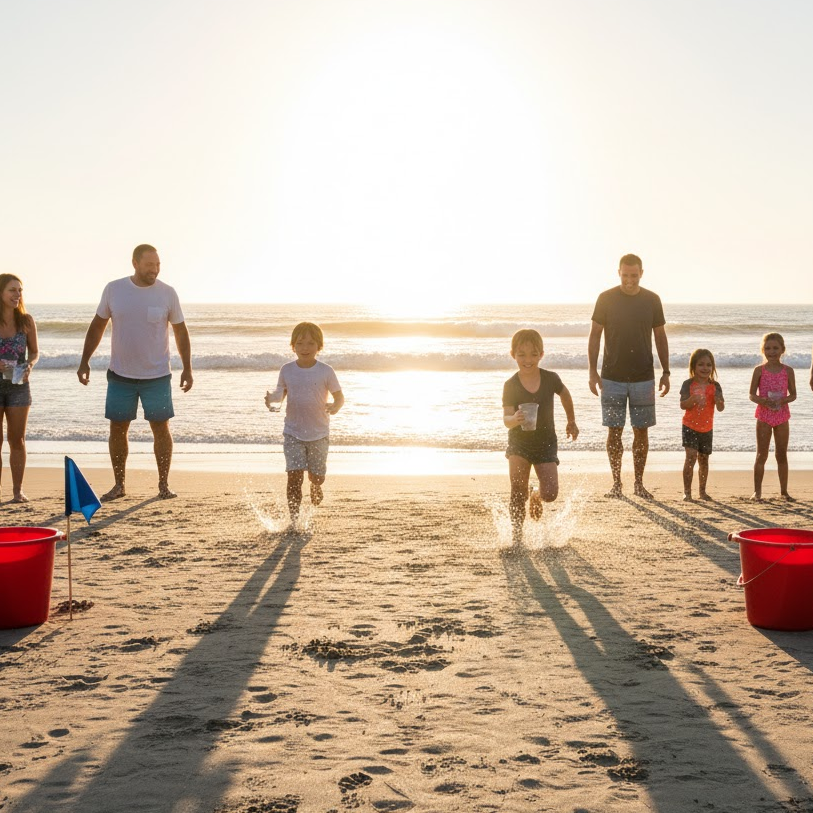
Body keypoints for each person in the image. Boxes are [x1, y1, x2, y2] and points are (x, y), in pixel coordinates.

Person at [77, 245, 193, 500]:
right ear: (135, 263)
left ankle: (163, 485)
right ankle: (119, 485)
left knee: (161, 428)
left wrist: (187, 367)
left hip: (158, 375)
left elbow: (180, 331)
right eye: (149, 264)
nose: (154, 269)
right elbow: (97, 326)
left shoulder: (167, 293)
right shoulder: (114, 289)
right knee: (118, 428)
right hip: (120, 374)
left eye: (158, 264)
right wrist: (85, 360)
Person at [588, 254, 670, 499]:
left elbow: (660, 336)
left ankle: (638, 483)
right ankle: (616, 484)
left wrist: (666, 372)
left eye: (634, 275)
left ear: (641, 273)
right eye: (625, 275)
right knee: (614, 431)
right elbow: (594, 335)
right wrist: (592, 371)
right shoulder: (605, 299)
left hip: (644, 377)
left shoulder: (652, 300)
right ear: (619, 272)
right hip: (611, 376)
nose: (630, 280)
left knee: (641, 432)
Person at [503, 329, 578, 546]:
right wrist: (514, 418)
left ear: (541, 354)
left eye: (533, 354)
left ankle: (535, 494)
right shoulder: (511, 385)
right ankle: (517, 539)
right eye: (522, 354)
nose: (528, 360)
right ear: (513, 355)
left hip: (546, 442)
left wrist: (571, 421)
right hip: (519, 443)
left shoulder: (550, 378)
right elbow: (506, 419)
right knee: (517, 491)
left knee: (551, 494)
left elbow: (565, 394)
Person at [265, 322, 344, 524]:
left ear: (319, 346)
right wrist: (272, 400)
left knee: (317, 476)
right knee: (294, 477)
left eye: (310, 343)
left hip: (319, 433)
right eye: (300, 343)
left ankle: (316, 486)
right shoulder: (287, 369)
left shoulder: (326, 371)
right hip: (293, 432)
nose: (305, 348)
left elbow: (339, 396)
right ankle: (294, 520)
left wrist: (335, 406)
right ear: (293, 346)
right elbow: (280, 393)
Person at [0, 274, 39, 502]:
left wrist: (30, 365)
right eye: (12, 290)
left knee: (17, 440)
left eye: (19, 290)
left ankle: (17, 491)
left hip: (18, 384)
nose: (17, 295)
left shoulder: (26, 321)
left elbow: (34, 352)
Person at [749, 332, 796, 501]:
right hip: (764, 415)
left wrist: (783, 400)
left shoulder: (788, 371)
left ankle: (784, 491)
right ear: (763, 350)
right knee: (761, 454)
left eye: (775, 348)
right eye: (767, 348)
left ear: (782, 349)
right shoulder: (759, 370)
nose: (772, 351)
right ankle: (757, 492)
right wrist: (763, 401)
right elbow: (751, 395)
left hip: (782, 415)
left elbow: (793, 395)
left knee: (781, 454)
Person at [679, 349, 724, 501]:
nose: (705, 368)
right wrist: (692, 400)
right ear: (693, 366)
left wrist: (718, 401)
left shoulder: (715, 386)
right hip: (690, 426)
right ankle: (687, 492)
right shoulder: (688, 384)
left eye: (708, 365)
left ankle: (702, 492)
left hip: (707, 427)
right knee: (690, 457)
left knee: (704, 459)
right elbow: (683, 405)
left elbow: (721, 408)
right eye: (701, 365)